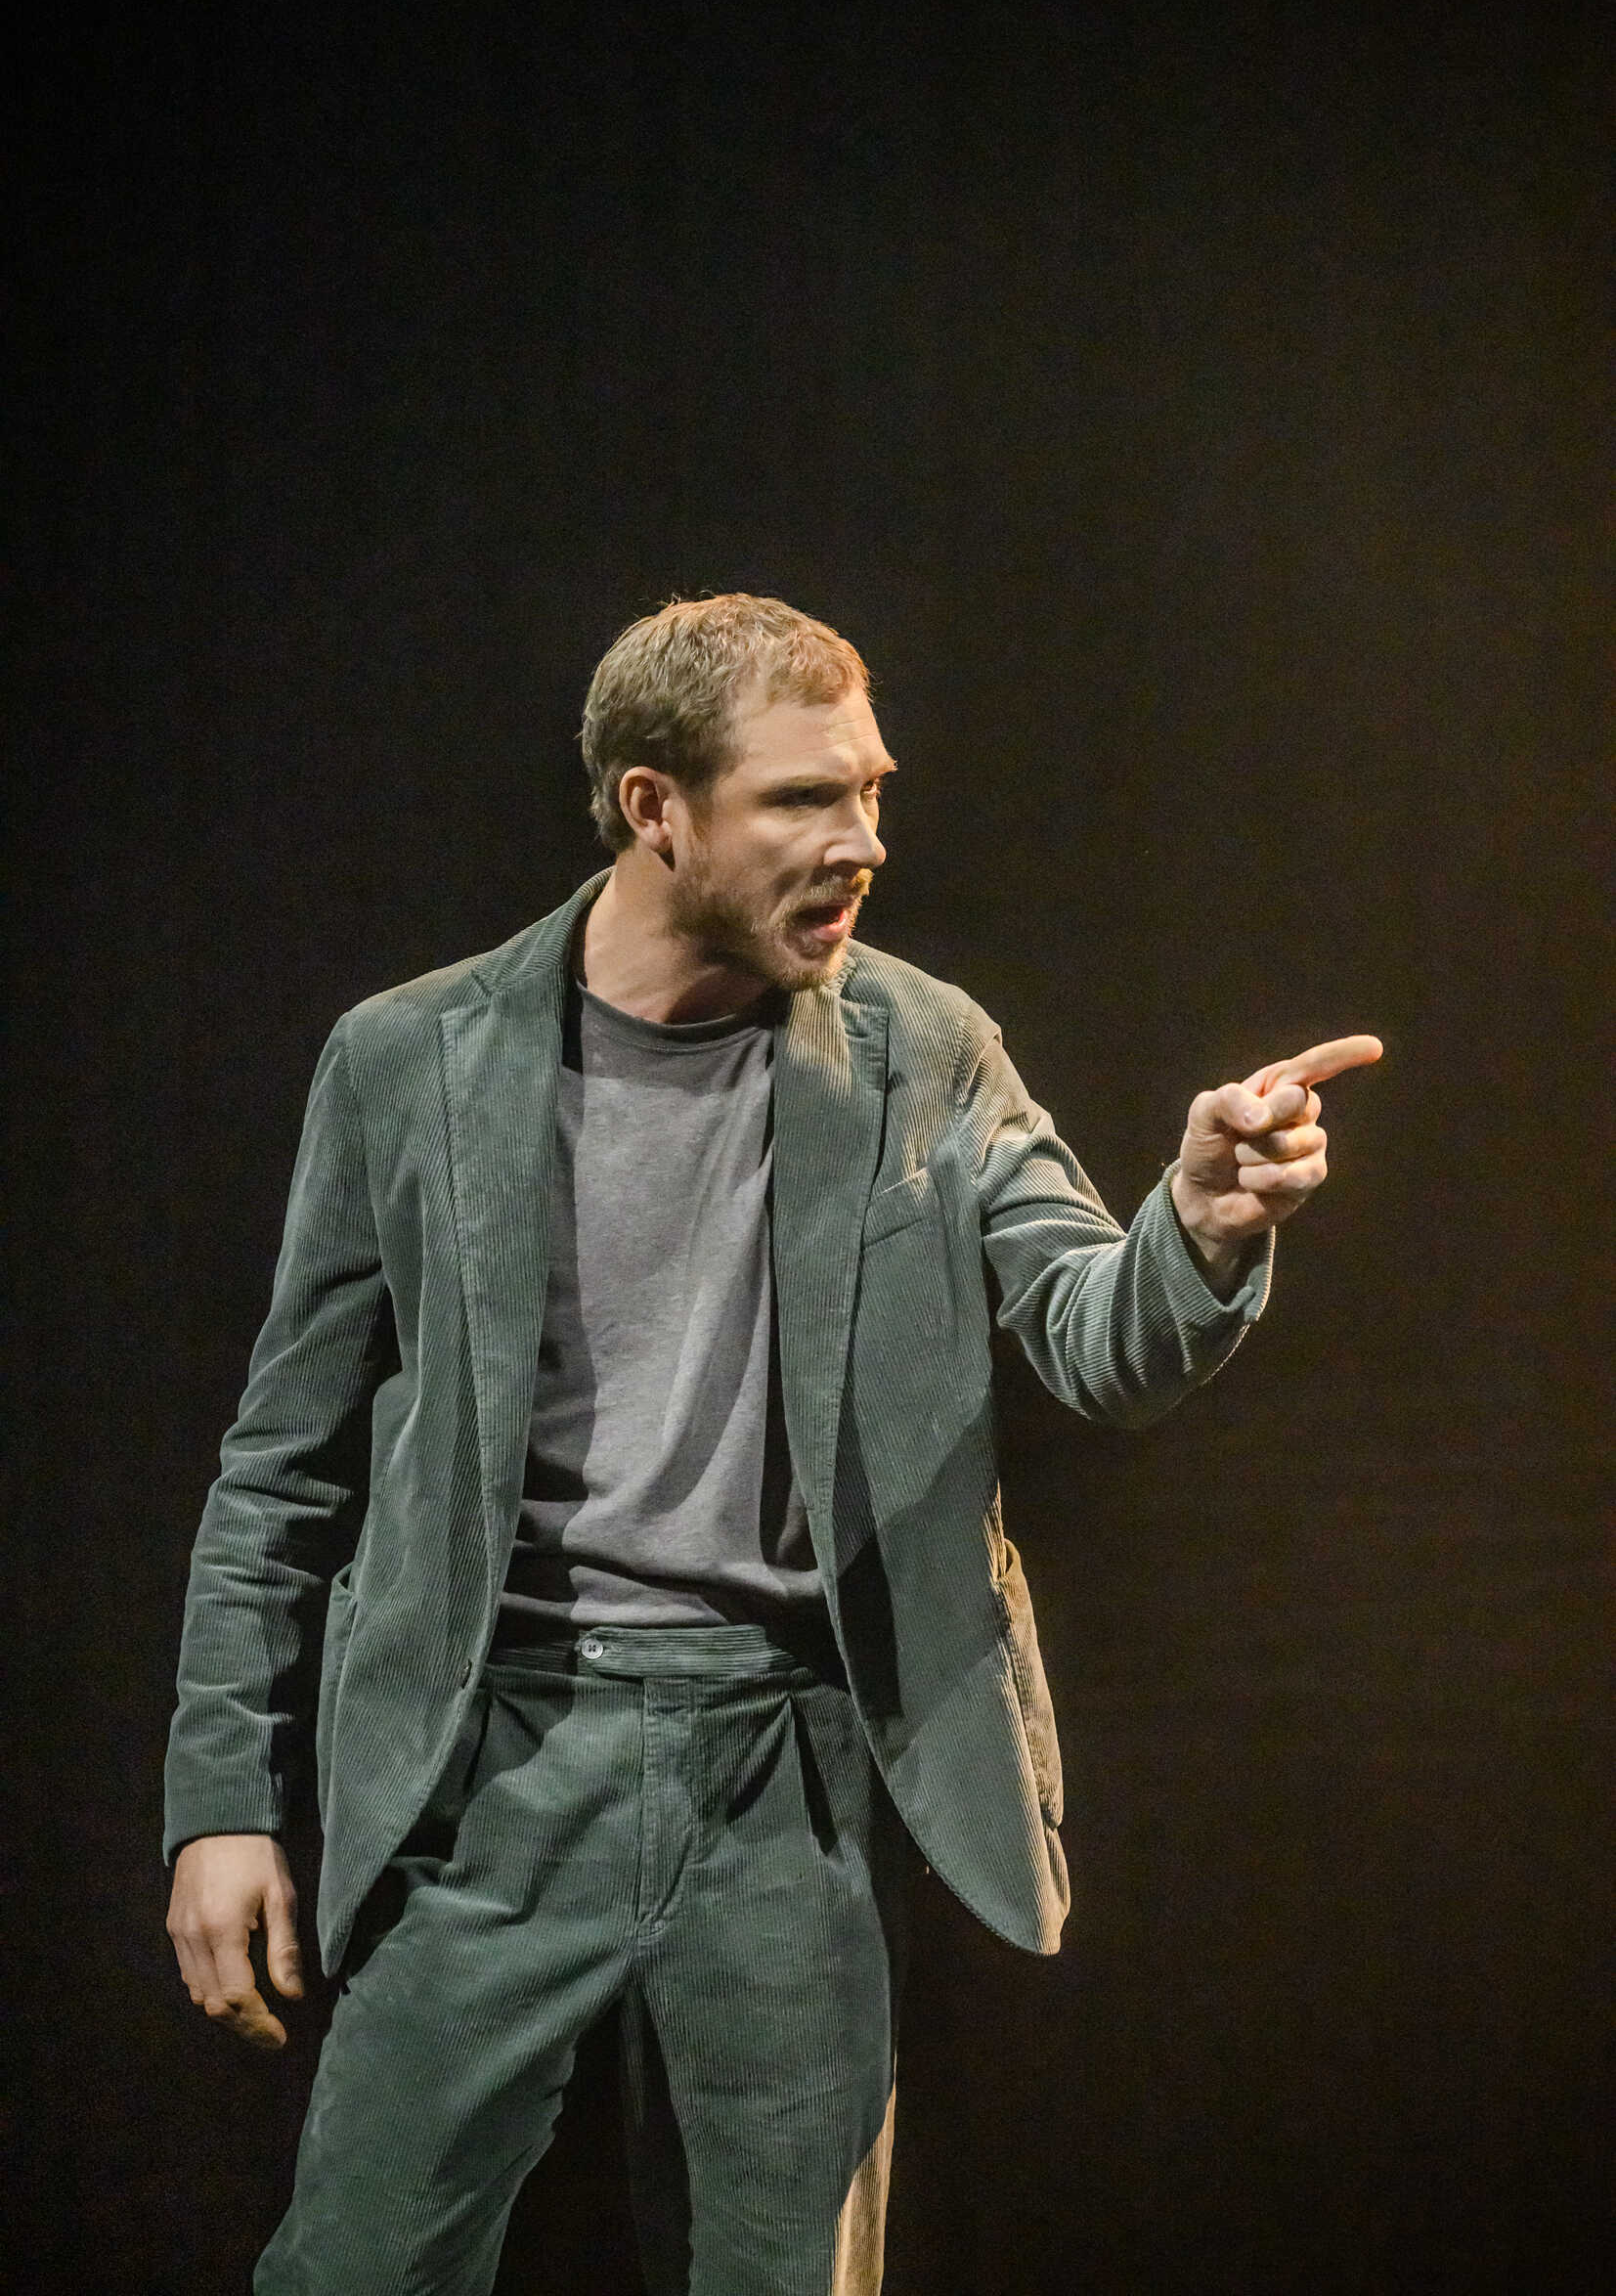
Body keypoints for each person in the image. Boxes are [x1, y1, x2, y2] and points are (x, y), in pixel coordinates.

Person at [164, 593, 1380, 2295]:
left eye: (871, 791)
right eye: (805, 799)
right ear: (654, 807)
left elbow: (1097, 1345)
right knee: (359, 2263)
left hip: (788, 1774)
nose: (863, 839)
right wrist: (221, 1802)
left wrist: (1203, 1223)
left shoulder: (922, 1049)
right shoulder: (408, 1058)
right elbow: (281, 1467)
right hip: (493, 1765)